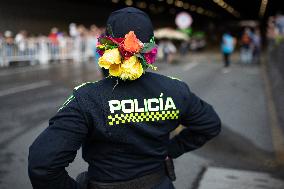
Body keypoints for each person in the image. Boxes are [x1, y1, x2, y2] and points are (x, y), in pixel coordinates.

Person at [28, 7, 221, 189]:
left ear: (105, 47)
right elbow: (210, 124)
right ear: (151, 48)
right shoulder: (174, 89)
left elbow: (43, 163)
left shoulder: (87, 98)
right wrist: (171, 149)